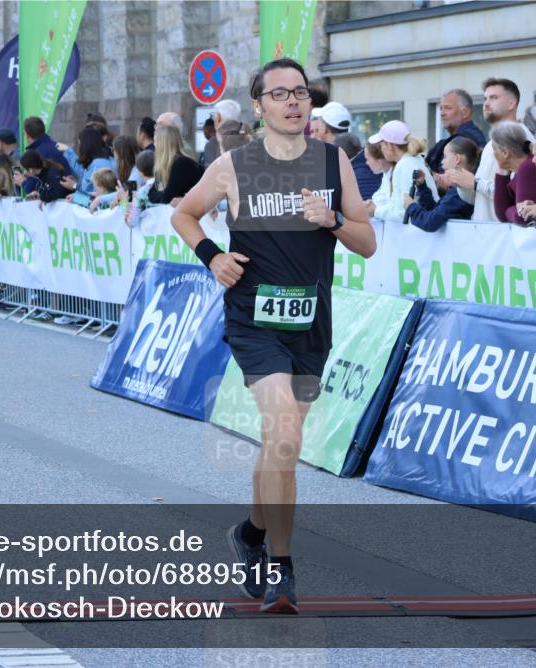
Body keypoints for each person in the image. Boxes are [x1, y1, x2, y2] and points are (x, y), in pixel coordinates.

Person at [171, 58, 375, 614]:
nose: (293, 102)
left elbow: (367, 242)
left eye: (301, 93)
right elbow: (184, 215)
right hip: (253, 319)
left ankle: (252, 534)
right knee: (283, 435)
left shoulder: (335, 162)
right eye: (280, 94)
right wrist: (213, 256)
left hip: (311, 322)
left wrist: (330, 219)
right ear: (258, 105)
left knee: (279, 445)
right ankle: (282, 571)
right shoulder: (235, 165)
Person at [447, 77, 520, 222]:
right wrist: (462, 183)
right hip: (485, 234)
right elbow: (476, 198)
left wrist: (474, 183)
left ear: (511, 103)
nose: (486, 104)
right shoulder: (490, 144)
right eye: (485, 98)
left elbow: (516, 195)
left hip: (503, 237)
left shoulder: (520, 138)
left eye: (493, 98)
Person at [364, 120, 437, 223]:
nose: (381, 149)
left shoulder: (403, 165)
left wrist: (375, 210)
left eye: (381, 145)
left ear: (389, 146)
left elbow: (401, 213)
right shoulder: (416, 159)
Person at [404, 137, 479, 232]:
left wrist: (412, 207)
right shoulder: (458, 191)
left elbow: (430, 222)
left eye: (445, 156)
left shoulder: (459, 195)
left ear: (457, 159)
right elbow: (434, 211)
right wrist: (422, 186)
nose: (442, 161)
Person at [489, 121, 536, 225]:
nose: (493, 154)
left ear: (505, 153)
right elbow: (502, 215)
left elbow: (523, 217)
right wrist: (502, 172)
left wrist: (508, 210)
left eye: (494, 149)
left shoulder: (529, 167)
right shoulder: (523, 168)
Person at [425, 89, 485, 175]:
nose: (442, 113)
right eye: (441, 108)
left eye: (448, 108)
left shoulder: (466, 139)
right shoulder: (462, 137)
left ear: (466, 112)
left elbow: (449, 181)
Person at [147, 125, 204, 205]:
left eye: (156, 141)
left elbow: (167, 198)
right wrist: (162, 193)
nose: (154, 145)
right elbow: (150, 194)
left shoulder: (181, 164)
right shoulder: (165, 165)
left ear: (164, 143)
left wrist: (161, 192)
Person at [59, 127, 116, 195]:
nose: (79, 148)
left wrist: (74, 186)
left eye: (80, 144)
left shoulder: (98, 165)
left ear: (85, 146)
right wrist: (77, 182)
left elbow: (96, 196)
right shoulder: (103, 160)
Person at [205, 99, 241, 166]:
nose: (213, 119)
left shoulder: (212, 144)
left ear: (218, 117)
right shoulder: (248, 138)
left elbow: (212, 173)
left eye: (213, 116)